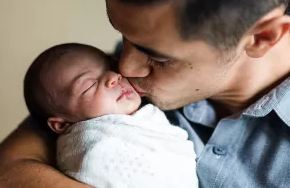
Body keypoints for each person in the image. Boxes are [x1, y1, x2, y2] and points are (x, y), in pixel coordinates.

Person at [0, 0, 290, 187]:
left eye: (157, 57)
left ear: (263, 37)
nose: (125, 66)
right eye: (123, 37)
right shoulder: (108, 83)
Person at [23, 43, 198, 188]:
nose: (115, 77)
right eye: (89, 86)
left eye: (112, 67)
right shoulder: (92, 147)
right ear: (61, 124)